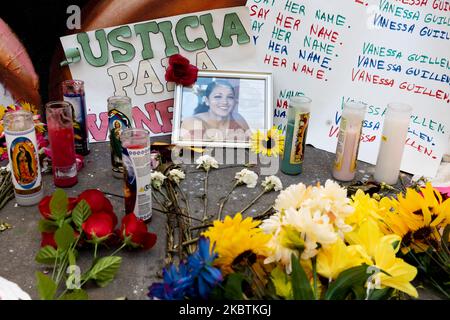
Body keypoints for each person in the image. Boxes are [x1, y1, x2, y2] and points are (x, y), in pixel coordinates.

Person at [180, 80, 250, 142]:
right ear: (207, 100)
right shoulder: (193, 122)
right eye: (218, 97)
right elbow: (190, 153)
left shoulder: (237, 118)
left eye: (230, 97)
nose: (225, 102)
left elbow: (253, 145)